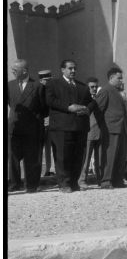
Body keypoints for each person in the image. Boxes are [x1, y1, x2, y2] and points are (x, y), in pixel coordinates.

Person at [45, 59, 95, 192]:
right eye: (70, 68)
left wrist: (87, 109)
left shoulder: (82, 86)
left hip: (80, 127)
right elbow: (50, 100)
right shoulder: (53, 84)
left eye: (74, 68)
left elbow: (91, 102)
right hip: (61, 127)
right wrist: (68, 107)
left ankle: (74, 183)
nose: (73, 71)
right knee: (62, 156)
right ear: (62, 69)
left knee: (78, 156)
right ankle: (64, 184)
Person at [8, 59, 46, 193]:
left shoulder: (37, 86)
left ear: (24, 71)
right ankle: (14, 184)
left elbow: (44, 108)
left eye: (14, 70)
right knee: (12, 157)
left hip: (32, 128)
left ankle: (31, 185)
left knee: (31, 157)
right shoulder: (9, 85)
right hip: (14, 127)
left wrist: (36, 121)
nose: (12, 72)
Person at [96, 66, 127, 189]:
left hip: (121, 128)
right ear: (111, 78)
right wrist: (104, 126)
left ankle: (117, 180)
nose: (121, 80)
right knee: (109, 156)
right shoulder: (105, 90)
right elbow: (98, 110)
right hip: (110, 128)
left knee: (120, 156)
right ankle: (106, 180)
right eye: (119, 78)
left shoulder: (117, 91)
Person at [78, 77, 102, 188]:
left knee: (100, 159)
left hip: (100, 131)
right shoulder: (83, 99)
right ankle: (82, 180)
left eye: (96, 86)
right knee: (86, 158)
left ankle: (100, 180)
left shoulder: (100, 98)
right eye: (92, 87)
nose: (94, 89)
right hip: (88, 131)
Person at [37, 69, 55, 178]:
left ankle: (51, 169)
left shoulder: (53, 89)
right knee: (42, 148)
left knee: (52, 146)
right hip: (40, 121)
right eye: (44, 80)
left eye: (48, 80)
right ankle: (44, 170)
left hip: (52, 120)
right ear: (40, 80)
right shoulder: (37, 90)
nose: (46, 82)